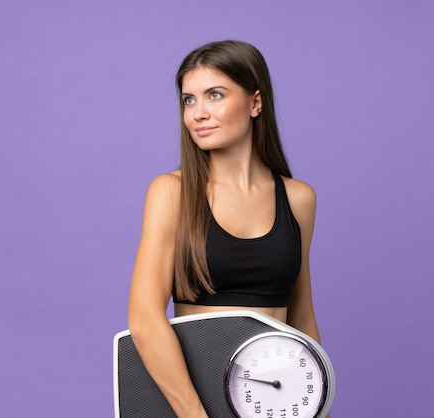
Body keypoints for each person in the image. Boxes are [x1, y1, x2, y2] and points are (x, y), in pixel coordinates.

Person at [127, 40, 325, 417]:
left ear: (255, 102)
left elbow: (302, 318)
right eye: (189, 100)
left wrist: (320, 407)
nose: (198, 113)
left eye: (214, 95)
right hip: (192, 398)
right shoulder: (171, 192)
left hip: (278, 398)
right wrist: (193, 413)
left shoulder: (298, 199)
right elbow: (144, 317)